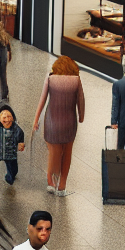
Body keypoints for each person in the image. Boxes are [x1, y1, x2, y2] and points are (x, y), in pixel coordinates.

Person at [32, 56, 85, 196]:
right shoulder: (76, 81)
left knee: (54, 153)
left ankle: (51, 181)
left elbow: (42, 100)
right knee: (67, 153)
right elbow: (81, 101)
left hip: (52, 122)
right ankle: (62, 185)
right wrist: (81, 117)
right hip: (69, 122)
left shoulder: (50, 79)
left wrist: (36, 119)